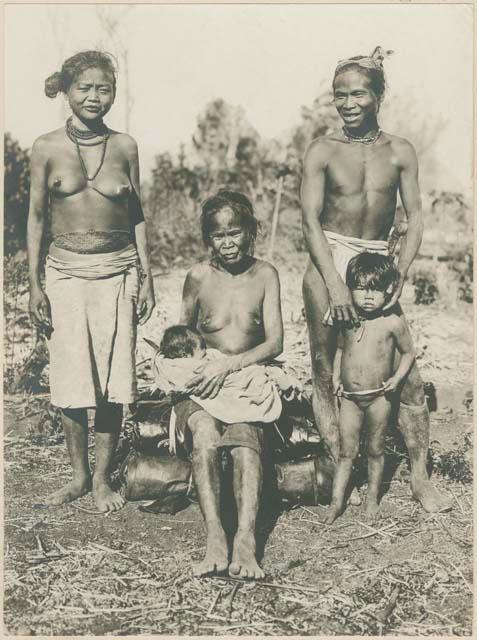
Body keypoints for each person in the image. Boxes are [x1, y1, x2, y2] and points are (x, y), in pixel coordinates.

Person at [301, 46, 451, 512]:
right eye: (339, 95)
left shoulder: (400, 151)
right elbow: (308, 220)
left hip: (376, 267)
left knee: (406, 375)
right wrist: (335, 283)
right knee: (328, 372)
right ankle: (337, 467)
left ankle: (420, 478)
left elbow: (416, 219)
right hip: (329, 257)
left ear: (378, 96)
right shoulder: (322, 150)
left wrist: (399, 275)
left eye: (358, 94)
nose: (347, 104)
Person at [27, 51, 155, 512]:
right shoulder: (45, 147)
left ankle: (102, 480)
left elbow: (136, 213)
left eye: (103, 88)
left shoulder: (126, 146)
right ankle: (78, 477)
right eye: (84, 88)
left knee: (112, 380)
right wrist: (34, 282)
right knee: (72, 378)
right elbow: (37, 217)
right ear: (65, 89)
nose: (93, 97)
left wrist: (147, 271)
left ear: (114, 94)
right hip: (65, 273)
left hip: (119, 272)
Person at [179, 190, 284, 578]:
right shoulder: (198, 277)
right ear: (208, 239)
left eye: (235, 233)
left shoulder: (265, 275)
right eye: (218, 236)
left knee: (244, 443)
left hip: (248, 379)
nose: (228, 243)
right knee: (204, 434)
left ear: (251, 232)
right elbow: (182, 337)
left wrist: (234, 366)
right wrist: (196, 369)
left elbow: (276, 342)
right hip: (206, 380)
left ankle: (245, 539)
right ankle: (214, 537)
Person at [325, 253, 415, 523]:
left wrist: (397, 379)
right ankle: (335, 503)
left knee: (376, 450)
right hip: (350, 399)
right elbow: (341, 349)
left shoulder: (392, 322)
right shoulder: (348, 319)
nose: (367, 296)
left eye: (375, 289)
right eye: (360, 288)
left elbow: (409, 353)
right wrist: (335, 378)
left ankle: (372, 499)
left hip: (378, 399)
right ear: (350, 288)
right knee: (346, 452)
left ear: (388, 289)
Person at [153, 324, 292, 427]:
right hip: (216, 386)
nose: (206, 352)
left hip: (233, 365)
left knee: (252, 375)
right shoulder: (184, 366)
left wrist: (228, 365)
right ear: (186, 356)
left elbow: (276, 344)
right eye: (202, 348)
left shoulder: (209, 356)